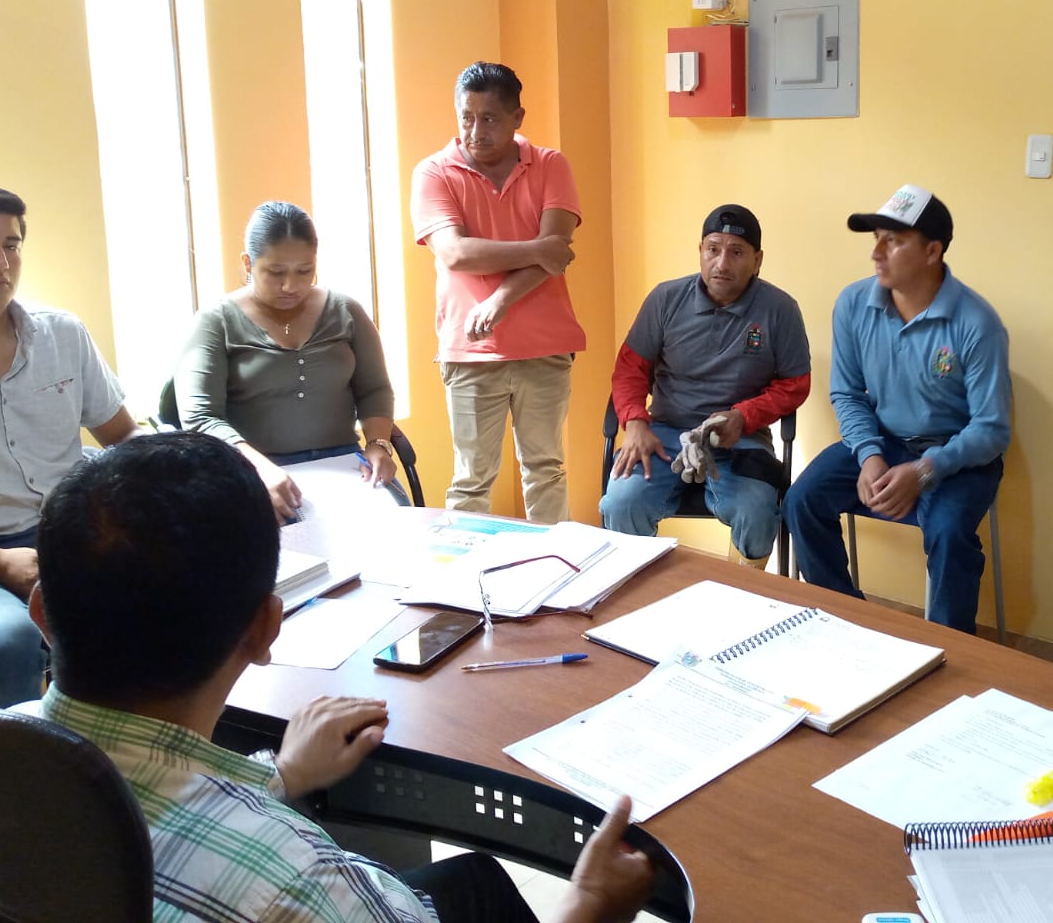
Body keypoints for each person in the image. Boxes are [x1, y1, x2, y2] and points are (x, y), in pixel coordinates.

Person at [29, 431, 654, 923]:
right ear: (266, 628)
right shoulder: (298, 885)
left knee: (472, 879)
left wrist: (281, 775)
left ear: (42, 615)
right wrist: (590, 907)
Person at [0, 182, 140, 706]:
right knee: (7, 642)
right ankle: (15, 763)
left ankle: (131, 753)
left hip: (74, 534)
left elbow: (125, 437)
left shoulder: (62, 334)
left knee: (170, 600)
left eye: (11, 245)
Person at [784, 184, 1010, 633]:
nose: (877, 253)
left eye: (894, 241)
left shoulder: (977, 323)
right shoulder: (854, 304)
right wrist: (869, 455)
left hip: (958, 455)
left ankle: (950, 648)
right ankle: (846, 625)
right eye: (876, 240)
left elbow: (991, 429)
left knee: (949, 533)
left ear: (932, 251)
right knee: (801, 501)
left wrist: (924, 471)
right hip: (884, 441)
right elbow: (847, 393)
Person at [410, 62, 584, 523]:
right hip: (470, 350)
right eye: (466, 117)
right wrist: (537, 248)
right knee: (471, 480)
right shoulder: (434, 172)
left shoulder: (550, 165)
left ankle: (554, 562)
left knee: (545, 471)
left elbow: (556, 255)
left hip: (545, 346)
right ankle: (466, 568)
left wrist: (499, 300)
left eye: (488, 118)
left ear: (517, 117)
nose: (475, 131)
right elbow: (455, 253)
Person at [600, 204, 811, 566]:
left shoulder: (780, 309)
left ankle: (742, 590)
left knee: (757, 513)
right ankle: (639, 591)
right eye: (713, 249)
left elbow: (795, 384)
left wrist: (743, 416)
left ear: (757, 260)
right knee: (621, 502)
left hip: (741, 439)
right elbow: (630, 369)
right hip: (662, 435)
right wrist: (634, 422)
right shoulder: (665, 299)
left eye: (737, 252)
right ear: (700, 251)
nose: (722, 263)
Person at [175, 201, 402, 520]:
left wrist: (378, 444)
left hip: (345, 467)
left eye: (304, 271)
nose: (290, 286)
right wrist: (257, 468)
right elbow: (201, 416)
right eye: (276, 272)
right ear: (248, 263)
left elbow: (374, 389)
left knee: (393, 526)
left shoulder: (345, 311)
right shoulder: (216, 322)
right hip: (255, 468)